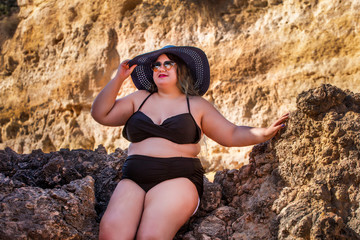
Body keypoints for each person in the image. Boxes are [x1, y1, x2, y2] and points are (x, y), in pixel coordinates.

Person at [91, 45, 289, 240]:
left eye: (169, 63)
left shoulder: (196, 105)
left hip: (177, 180)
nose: (161, 68)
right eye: (156, 65)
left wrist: (264, 132)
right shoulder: (139, 99)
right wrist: (119, 79)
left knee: (150, 236)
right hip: (133, 180)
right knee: (111, 234)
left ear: (182, 68)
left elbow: (231, 133)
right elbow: (101, 114)